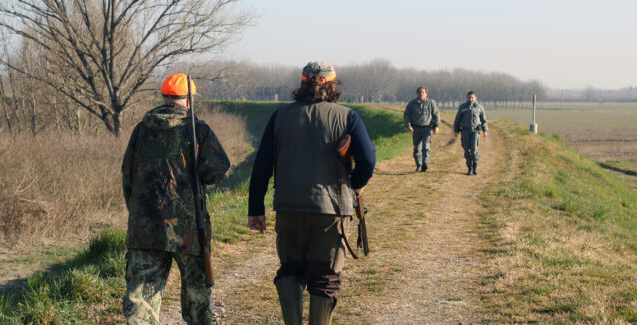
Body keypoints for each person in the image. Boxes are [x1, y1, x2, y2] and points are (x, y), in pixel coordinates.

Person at [247, 61, 376, 325]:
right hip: (332, 211)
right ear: (333, 85)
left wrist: (255, 210)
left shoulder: (279, 116)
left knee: (290, 270)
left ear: (303, 83)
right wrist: (356, 184)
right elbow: (369, 160)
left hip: (289, 208)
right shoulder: (348, 116)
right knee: (326, 277)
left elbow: (261, 167)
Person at [121, 73, 230, 324]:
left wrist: (138, 213)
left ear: (164, 97)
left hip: (145, 229)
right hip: (189, 231)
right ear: (188, 101)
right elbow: (216, 172)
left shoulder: (141, 129)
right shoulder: (198, 130)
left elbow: (127, 175)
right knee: (196, 299)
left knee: (140, 305)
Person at [404, 86, 440, 172]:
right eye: (419, 92)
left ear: (426, 93)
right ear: (417, 93)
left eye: (423, 92)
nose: (421, 94)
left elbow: (436, 115)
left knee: (426, 147)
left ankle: (425, 164)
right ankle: (419, 165)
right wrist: (408, 125)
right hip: (416, 129)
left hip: (427, 128)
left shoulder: (431, 103)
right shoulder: (412, 103)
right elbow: (406, 115)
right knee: (417, 148)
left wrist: (437, 126)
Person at [453, 91, 488, 175]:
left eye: (472, 97)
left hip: (475, 131)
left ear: (475, 98)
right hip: (465, 131)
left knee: (474, 150)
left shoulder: (479, 107)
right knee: (466, 150)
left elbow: (484, 120)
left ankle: (475, 166)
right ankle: (469, 168)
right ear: (467, 98)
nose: (470, 99)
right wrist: (456, 130)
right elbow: (457, 120)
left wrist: (485, 130)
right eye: (469, 97)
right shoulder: (462, 107)